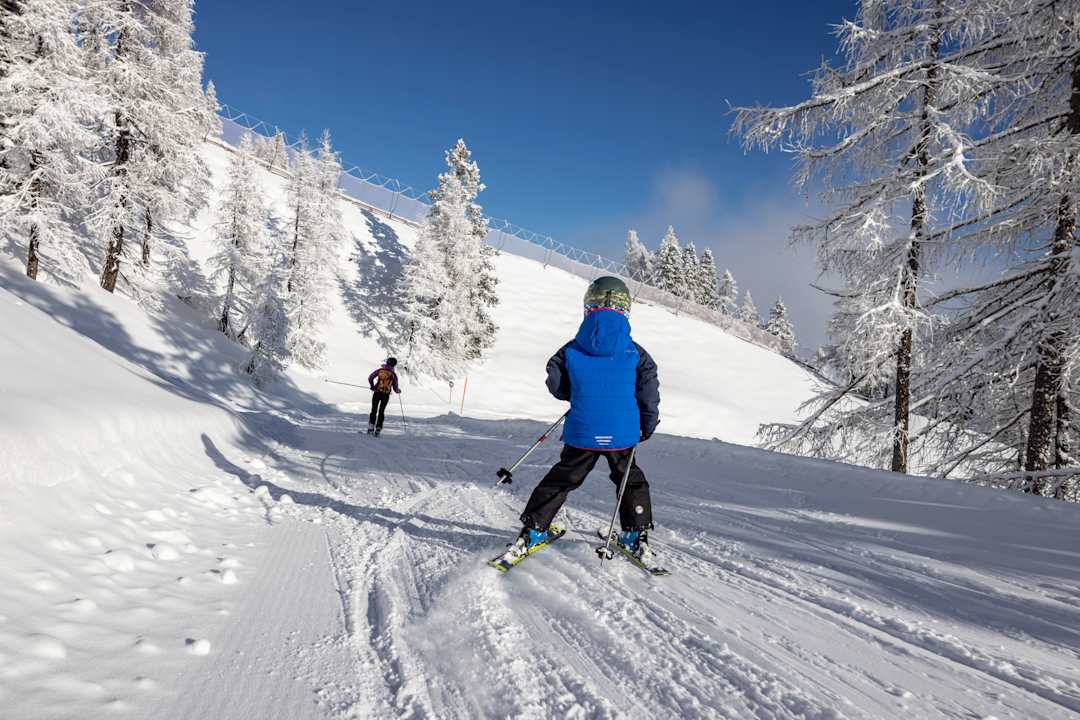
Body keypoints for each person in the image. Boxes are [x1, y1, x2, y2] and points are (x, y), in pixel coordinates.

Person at [508, 276, 660, 563]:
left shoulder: (571, 348)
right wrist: (647, 425)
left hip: (583, 430)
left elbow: (555, 383)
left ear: (588, 306)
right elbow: (648, 391)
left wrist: (577, 395)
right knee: (630, 480)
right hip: (622, 433)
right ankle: (635, 536)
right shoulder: (636, 352)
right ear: (626, 309)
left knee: (563, 478)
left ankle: (533, 530)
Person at [367, 357, 401, 436]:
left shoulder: (380, 371)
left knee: (374, 410)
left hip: (377, 393)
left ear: (387, 363)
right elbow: (395, 389)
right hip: (386, 395)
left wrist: (372, 386)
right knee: (381, 411)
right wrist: (399, 391)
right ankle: (378, 428)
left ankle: (371, 428)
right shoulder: (393, 375)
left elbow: (370, 377)